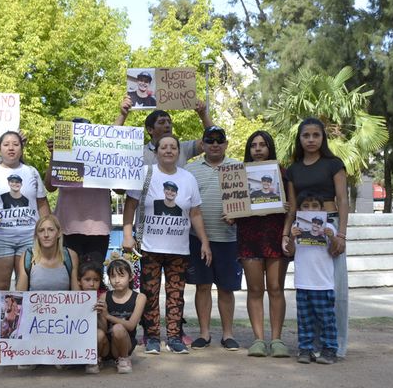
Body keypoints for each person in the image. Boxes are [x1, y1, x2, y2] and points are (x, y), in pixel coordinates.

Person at [122, 133, 211, 355]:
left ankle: (174, 337)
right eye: (164, 147)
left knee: (176, 294)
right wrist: (127, 235)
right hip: (149, 247)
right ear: (156, 152)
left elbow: (195, 213)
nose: (169, 150)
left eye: (173, 147)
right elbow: (130, 206)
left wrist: (204, 241)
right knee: (149, 293)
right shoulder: (145, 173)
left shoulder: (188, 178)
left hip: (178, 249)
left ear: (179, 152)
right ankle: (152, 337)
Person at [0, 131, 49, 357]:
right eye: (6, 144)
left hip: (28, 238)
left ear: (22, 148)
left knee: (28, 286)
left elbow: (42, 204)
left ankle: (27, 334)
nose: (11, 148)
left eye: (15, 144)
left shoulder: (31, 172)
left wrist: (48, 229)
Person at [283, 117, 349, 358]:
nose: (311, 139)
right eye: (306, 135)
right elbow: (292, 206)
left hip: (330, 225)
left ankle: (335, 345)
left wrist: (341, 233)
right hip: (303, 228)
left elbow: (343, 199)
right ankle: (311, 345)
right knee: (310, 286)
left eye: (315, 135)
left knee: (334, 286)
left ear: (323, 138)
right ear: (299, 139)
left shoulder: (334, 164)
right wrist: (286, 233)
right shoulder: (293, 169)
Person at [185, 126, 243, 352]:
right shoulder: (190, 170)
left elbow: (247, 203)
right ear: (203, 144)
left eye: (220, 140)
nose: (215, 144)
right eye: (210, 140)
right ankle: (204, 333)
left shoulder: (237, 167)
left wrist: (238, 215)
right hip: (197, 238)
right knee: (202, 286)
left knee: (226, 288)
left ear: (226, 144)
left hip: (228, 239)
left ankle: (228, 334)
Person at [235, 131, 290, 358]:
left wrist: (287, 227)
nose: (257, 149)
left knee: (276, 288)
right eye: (253, 145)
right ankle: (258, 340)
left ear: (270, 148)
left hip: (276, 236)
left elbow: (293, 206)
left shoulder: (283, 173)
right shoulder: (238, 175)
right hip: (249, 237)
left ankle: (277, 340)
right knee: (255, 289)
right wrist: (231, 214)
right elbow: (233, 205)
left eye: (262, 145)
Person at [44, 118, 112, 262]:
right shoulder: (63, 157)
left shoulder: (103, 158)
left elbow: (120, 190)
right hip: (67, 227)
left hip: (98, 228)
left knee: (93, 273)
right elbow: (50, 187)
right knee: (69, 274)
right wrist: (54, 155)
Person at [286, 191, 339, 364]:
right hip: (303, 282)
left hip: (323, 283)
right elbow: (290, 252)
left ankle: (329, 349)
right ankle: (305, 349)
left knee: (327, 320)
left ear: (322, 209)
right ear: (300, 209)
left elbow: (335, 251)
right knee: (304, 320)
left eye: (315, 206)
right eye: (306, 206)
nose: (310, 209)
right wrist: (292, 237)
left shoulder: (329, 227)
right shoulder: (296, 227)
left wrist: (332, 237)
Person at [115, 96, 214, 166]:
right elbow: (109, 145)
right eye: (162, 122)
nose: (167, 125)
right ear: (150, 129)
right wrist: (123, 115)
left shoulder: (182, 148)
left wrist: (203, 115)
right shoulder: (139, 153)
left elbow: (213, 139)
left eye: (169, 122)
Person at [95, 254, 147, 374]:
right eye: (113, 276)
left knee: (118, 328)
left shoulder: (139, 297)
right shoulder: (104, 296)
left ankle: (124, 359)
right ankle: (97, 358)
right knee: (98, 333)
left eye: (121, 275)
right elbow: (103, 329)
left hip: (124, 343)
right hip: (106, 345)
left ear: (131, 277)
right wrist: (100, 315)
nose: (117, 280)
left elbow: (131, 326)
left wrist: (107, 316)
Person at [15, 215, 79, 292]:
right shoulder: (28, 256)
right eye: (41, 230)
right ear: (37, 235)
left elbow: (77, 294)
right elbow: (20, 294)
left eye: (51, 230)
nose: (46, 235)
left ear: (59, 233)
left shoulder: (71, 256)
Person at [78, 255, 108, 374]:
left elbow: (104, 329)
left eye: (96, 280)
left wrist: (101, 313)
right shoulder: (71, 298)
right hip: (78, 337)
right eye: (87, 279)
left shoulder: (102, 298)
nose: (92, 284)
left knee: (99, 334)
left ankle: (94, 359)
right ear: (79, 281)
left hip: (98, 340)